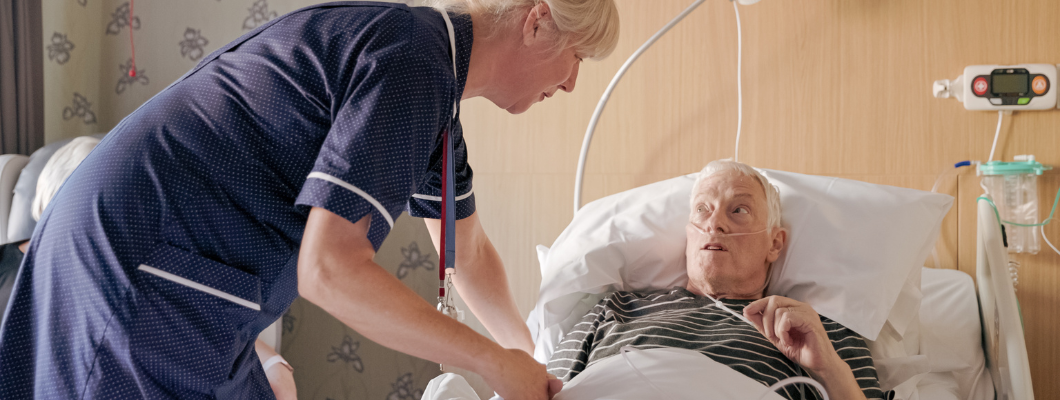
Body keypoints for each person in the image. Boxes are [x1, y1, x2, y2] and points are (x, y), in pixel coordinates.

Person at [0, 1, 619, 399]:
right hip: (136, 265)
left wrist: (532, 357)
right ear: (536, 20)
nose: (571, 82)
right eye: (577, 56)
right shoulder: (411, 62)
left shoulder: (433, 94)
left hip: (149, 252)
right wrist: (490, 362)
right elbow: (329, 271)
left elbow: (467, 247)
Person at [545, 160, 890, 400]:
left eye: (738, 210)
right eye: (702, 210)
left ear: (774, 243)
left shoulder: (812, 330)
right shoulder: (614, 308)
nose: (715, 225)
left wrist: (828, 367)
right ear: (688, 233)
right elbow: (541, 392)